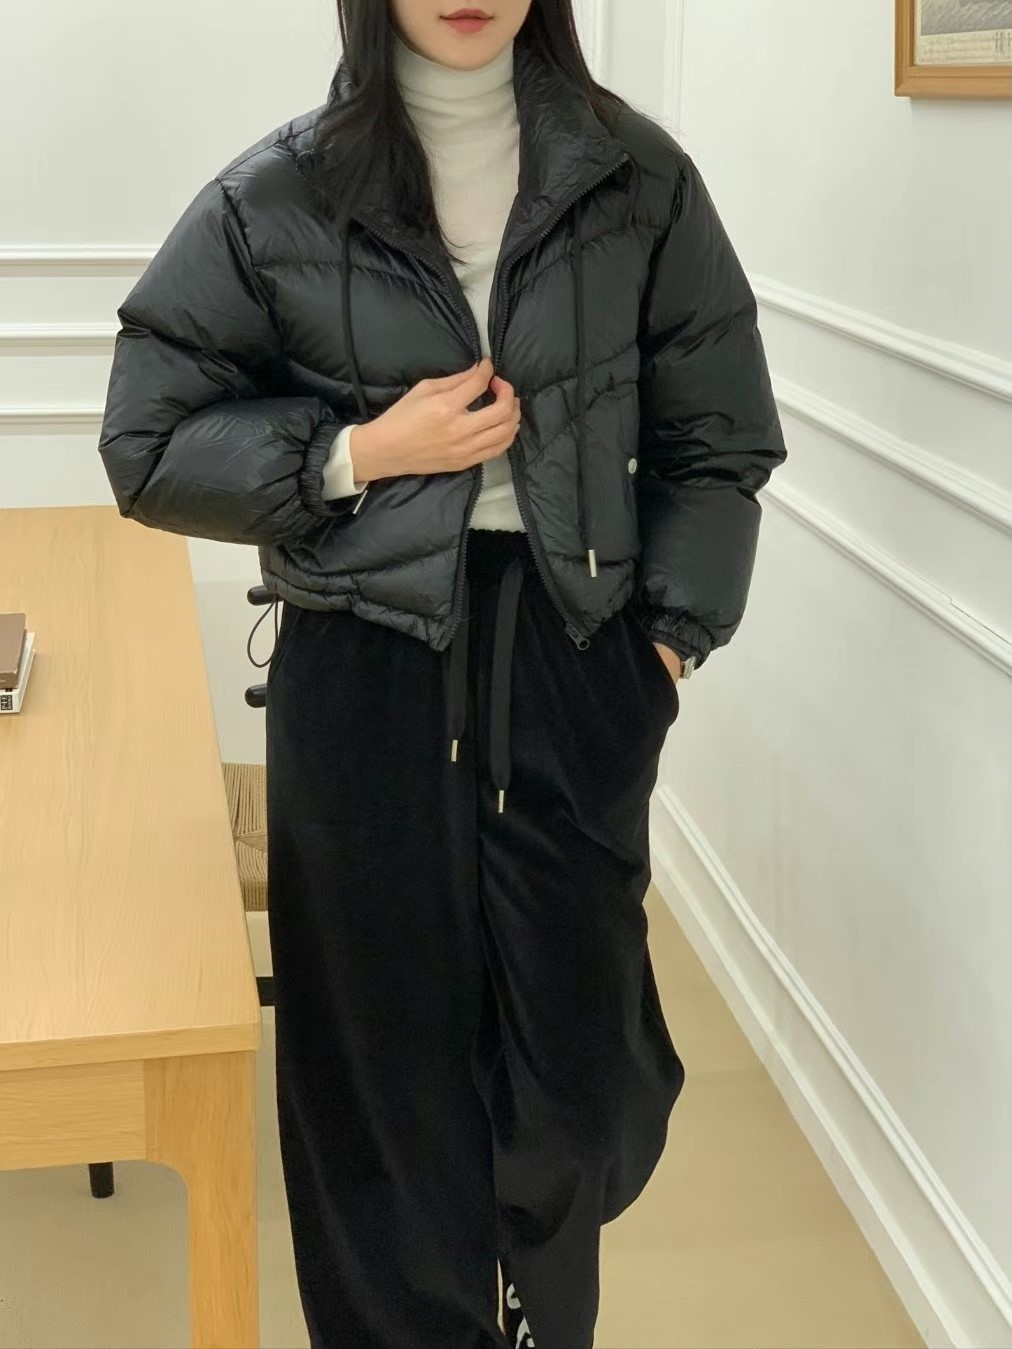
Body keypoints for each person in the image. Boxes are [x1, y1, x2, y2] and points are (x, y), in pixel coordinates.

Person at [97, 2, 788, 1345]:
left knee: (575, 1076)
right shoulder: (281, 192)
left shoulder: (638, 179)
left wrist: (662, 654)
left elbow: (722, 438)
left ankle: (535, 1310)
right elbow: (147, 438)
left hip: (574, 653)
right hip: (363, 660)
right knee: (377, 1065)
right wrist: (359, 453)